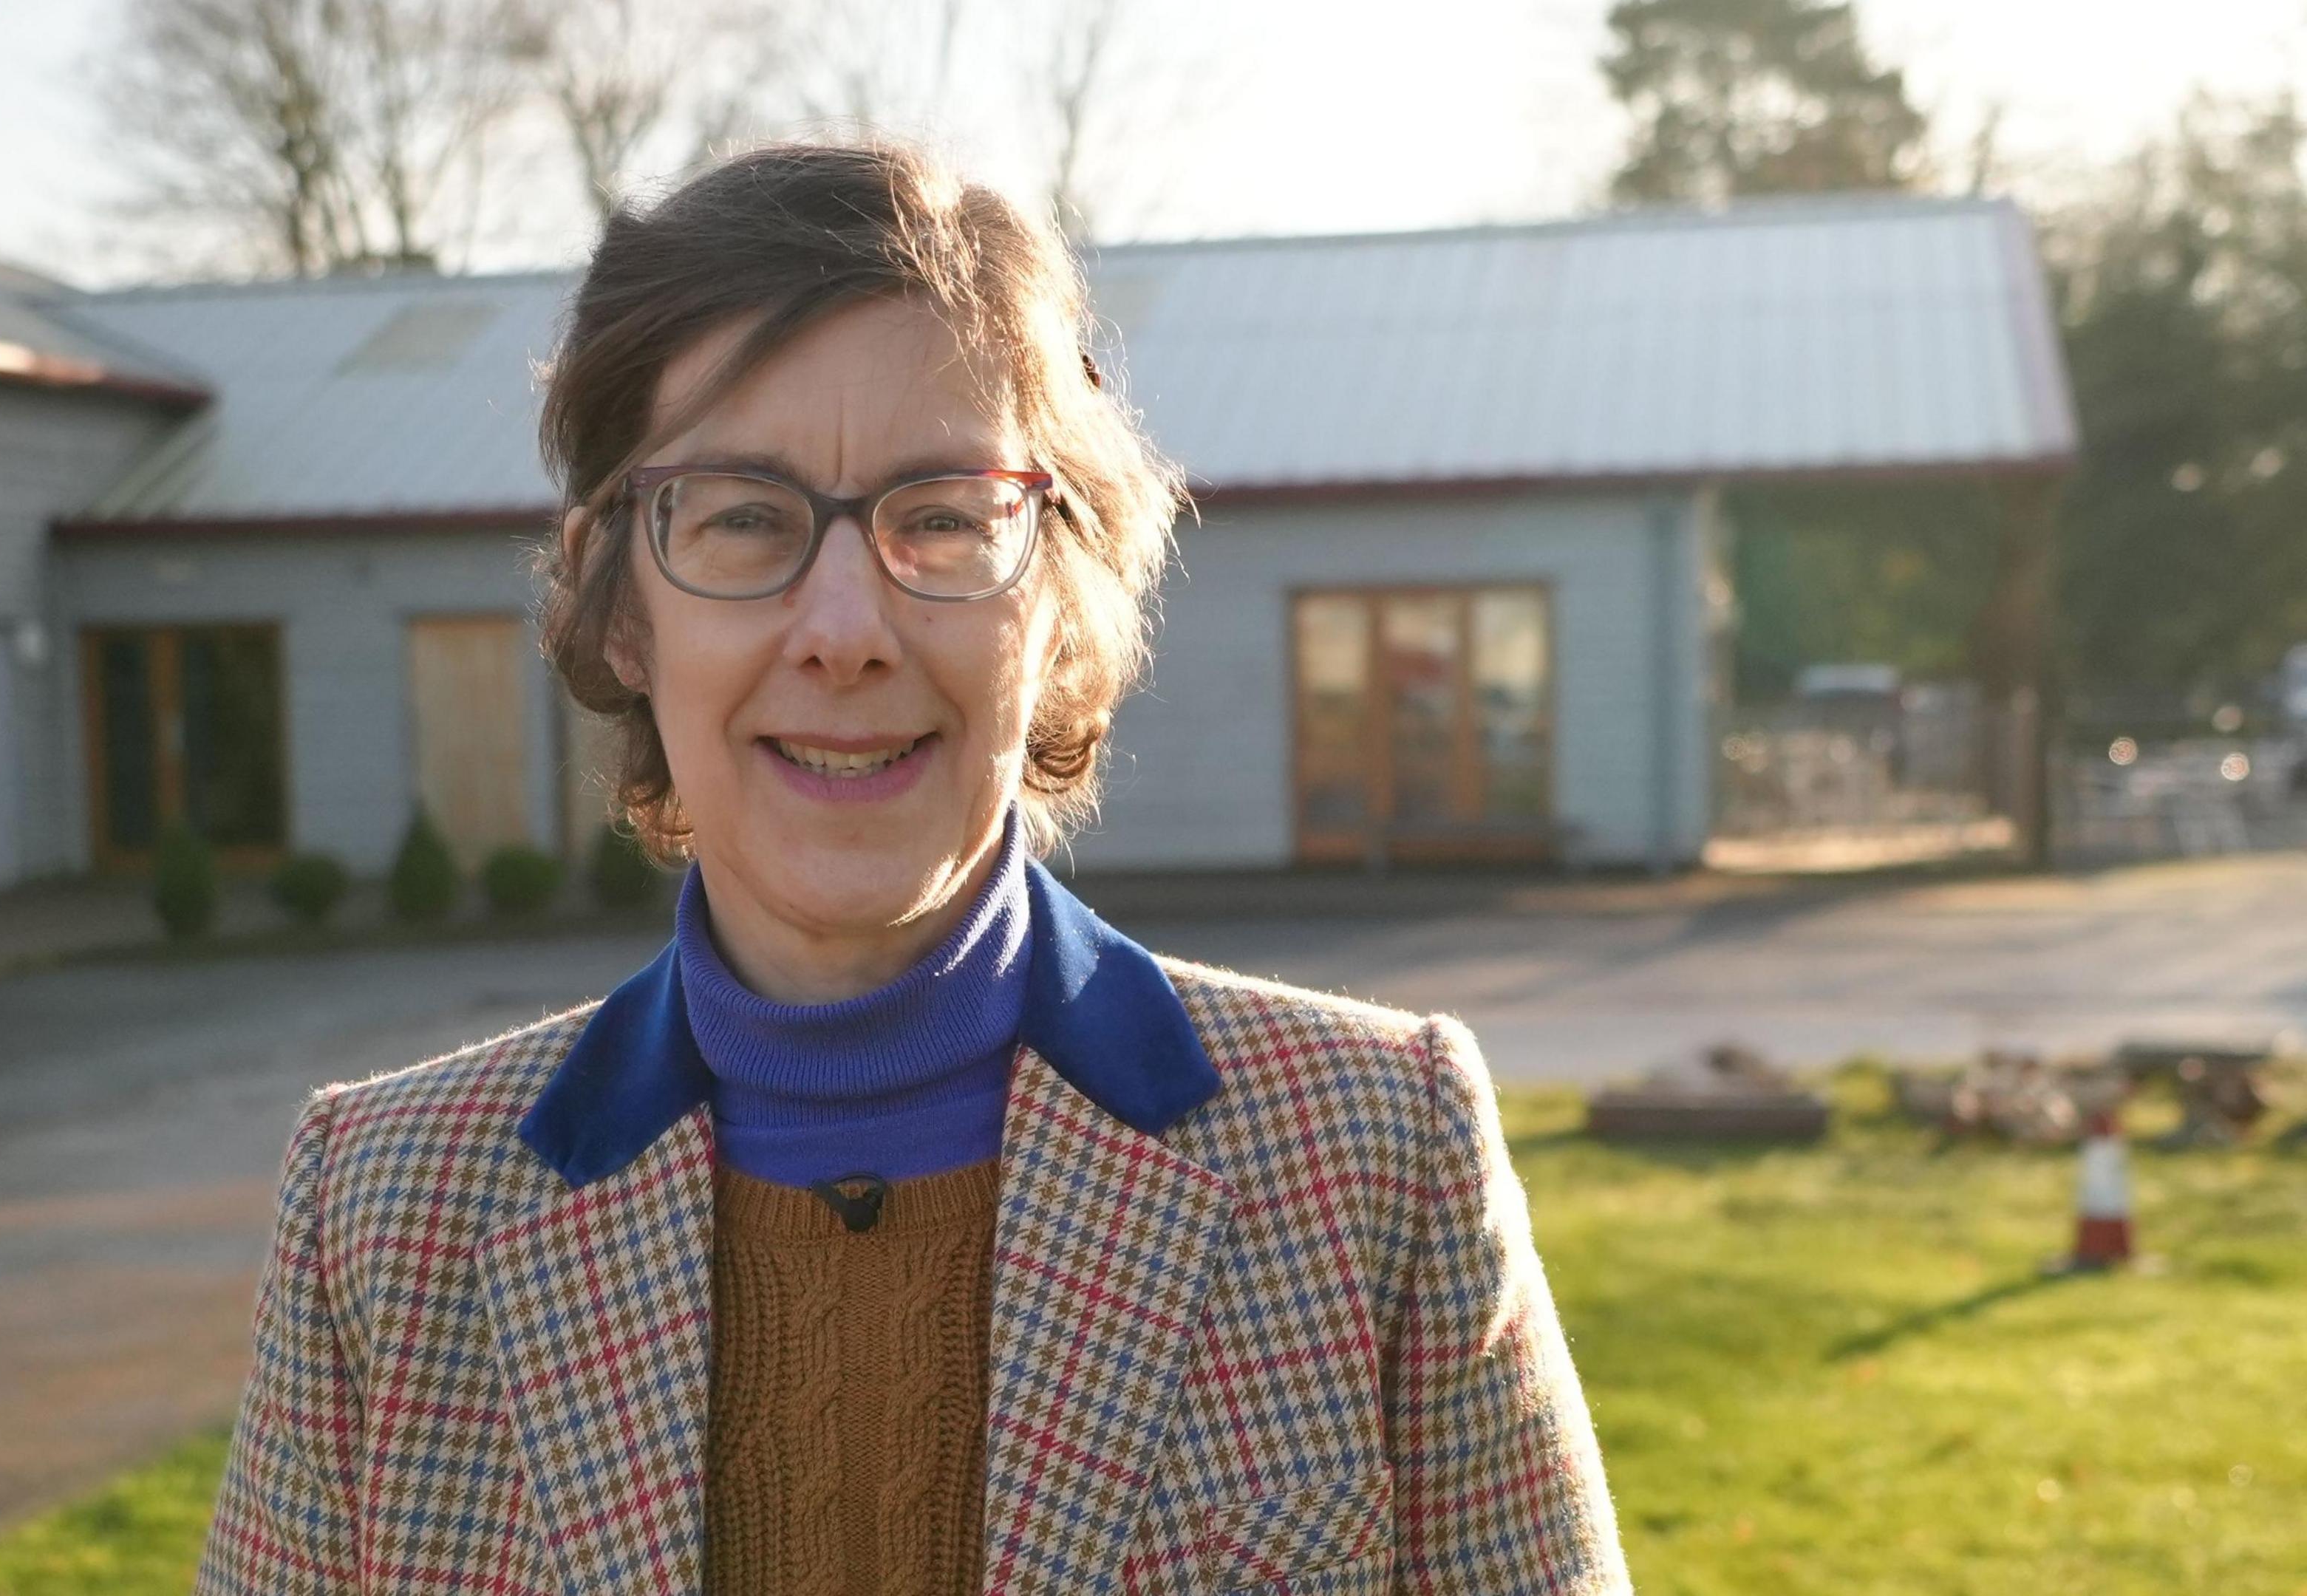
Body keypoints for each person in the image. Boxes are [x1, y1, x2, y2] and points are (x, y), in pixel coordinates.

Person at [200, 143, 1626, 1596]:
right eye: (744, 516)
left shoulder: (1375, 1155)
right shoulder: (381, 1211)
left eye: (943, 516)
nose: (844, 627)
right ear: (622, 608)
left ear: (1056, 603)